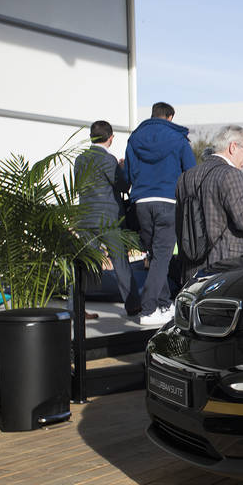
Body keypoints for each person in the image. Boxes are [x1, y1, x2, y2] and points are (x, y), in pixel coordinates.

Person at [175, 125, 243, 282]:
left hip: (192, 267)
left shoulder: (185, 177)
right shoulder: (230, 174)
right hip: (228, 266)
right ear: (233, 147)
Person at [125, 101, 196, 327]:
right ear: (170, 117)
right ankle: (148, 309)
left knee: (156, 256)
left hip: (142, 202)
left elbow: (127, 173)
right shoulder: (178, 139)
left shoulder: (135, 138)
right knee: (162, 256)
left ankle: (165, 304)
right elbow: (190, 173)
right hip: (168, 201)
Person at [74, 120, 138, 317]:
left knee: (85, 264)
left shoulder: (80, 159)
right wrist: (122, 168)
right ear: (111, 138)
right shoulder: (108, 160)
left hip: (85, 218)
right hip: (109, 220)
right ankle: (133, 305)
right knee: (120, 262)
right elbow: (121, 186)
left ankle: (78, 309)